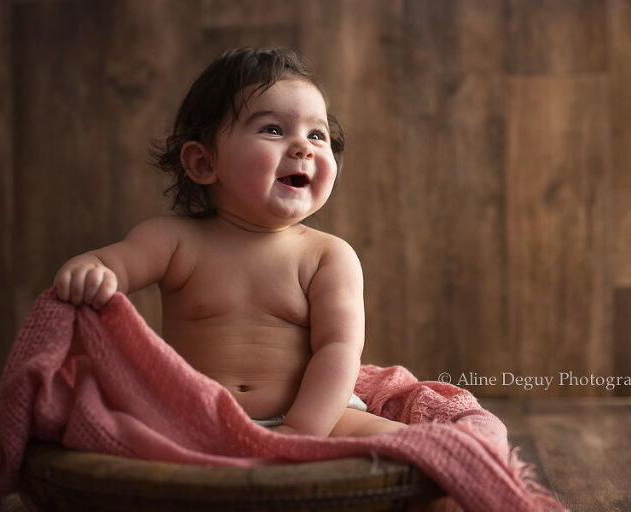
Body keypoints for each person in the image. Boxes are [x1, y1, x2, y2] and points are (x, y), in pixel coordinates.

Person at [53, 48, 407, 438]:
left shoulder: (327, 256)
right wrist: (89, 271)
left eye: (317, 134)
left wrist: (300, 432)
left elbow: (339, 350)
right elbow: (109, 265)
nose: (303, 147)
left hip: (314, 417)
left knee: (411, 448)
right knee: (96, 435)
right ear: (204, 163)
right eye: (272, 129)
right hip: (194, 421)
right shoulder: (174, 241)